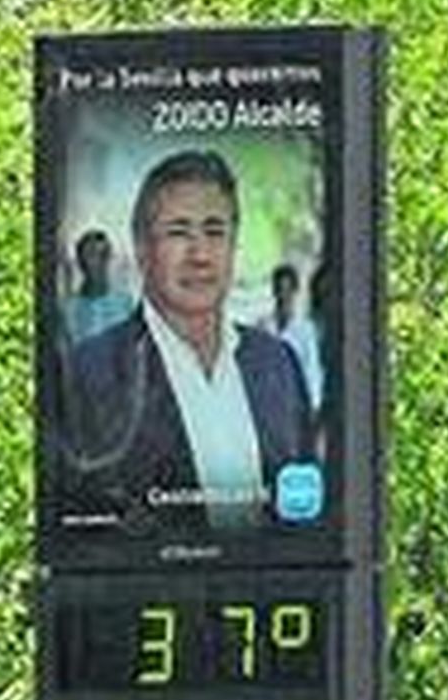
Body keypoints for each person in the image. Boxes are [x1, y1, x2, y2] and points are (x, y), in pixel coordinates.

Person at [60, 149, 318, 536]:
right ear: (143, 250)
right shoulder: (89, 372)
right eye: (178, 233)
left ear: (233, 246)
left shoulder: (277, 363)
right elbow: (80, 522)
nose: (199, 255)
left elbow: (308, 510)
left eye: (214, 232)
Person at [265, 260, 324, 419]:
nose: (283, 296)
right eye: (279, 290)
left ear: (295, 291)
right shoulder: (264, 328)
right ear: (273, 291)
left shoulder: (305, 331)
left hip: (297, 404)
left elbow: (312, 368)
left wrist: (313, 406)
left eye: (287, 290)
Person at [60, 227, 133, 345]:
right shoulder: (70, 309)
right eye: (90, 255)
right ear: (80, 261)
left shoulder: (125, 305)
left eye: (102, 255)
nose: (96, 263)